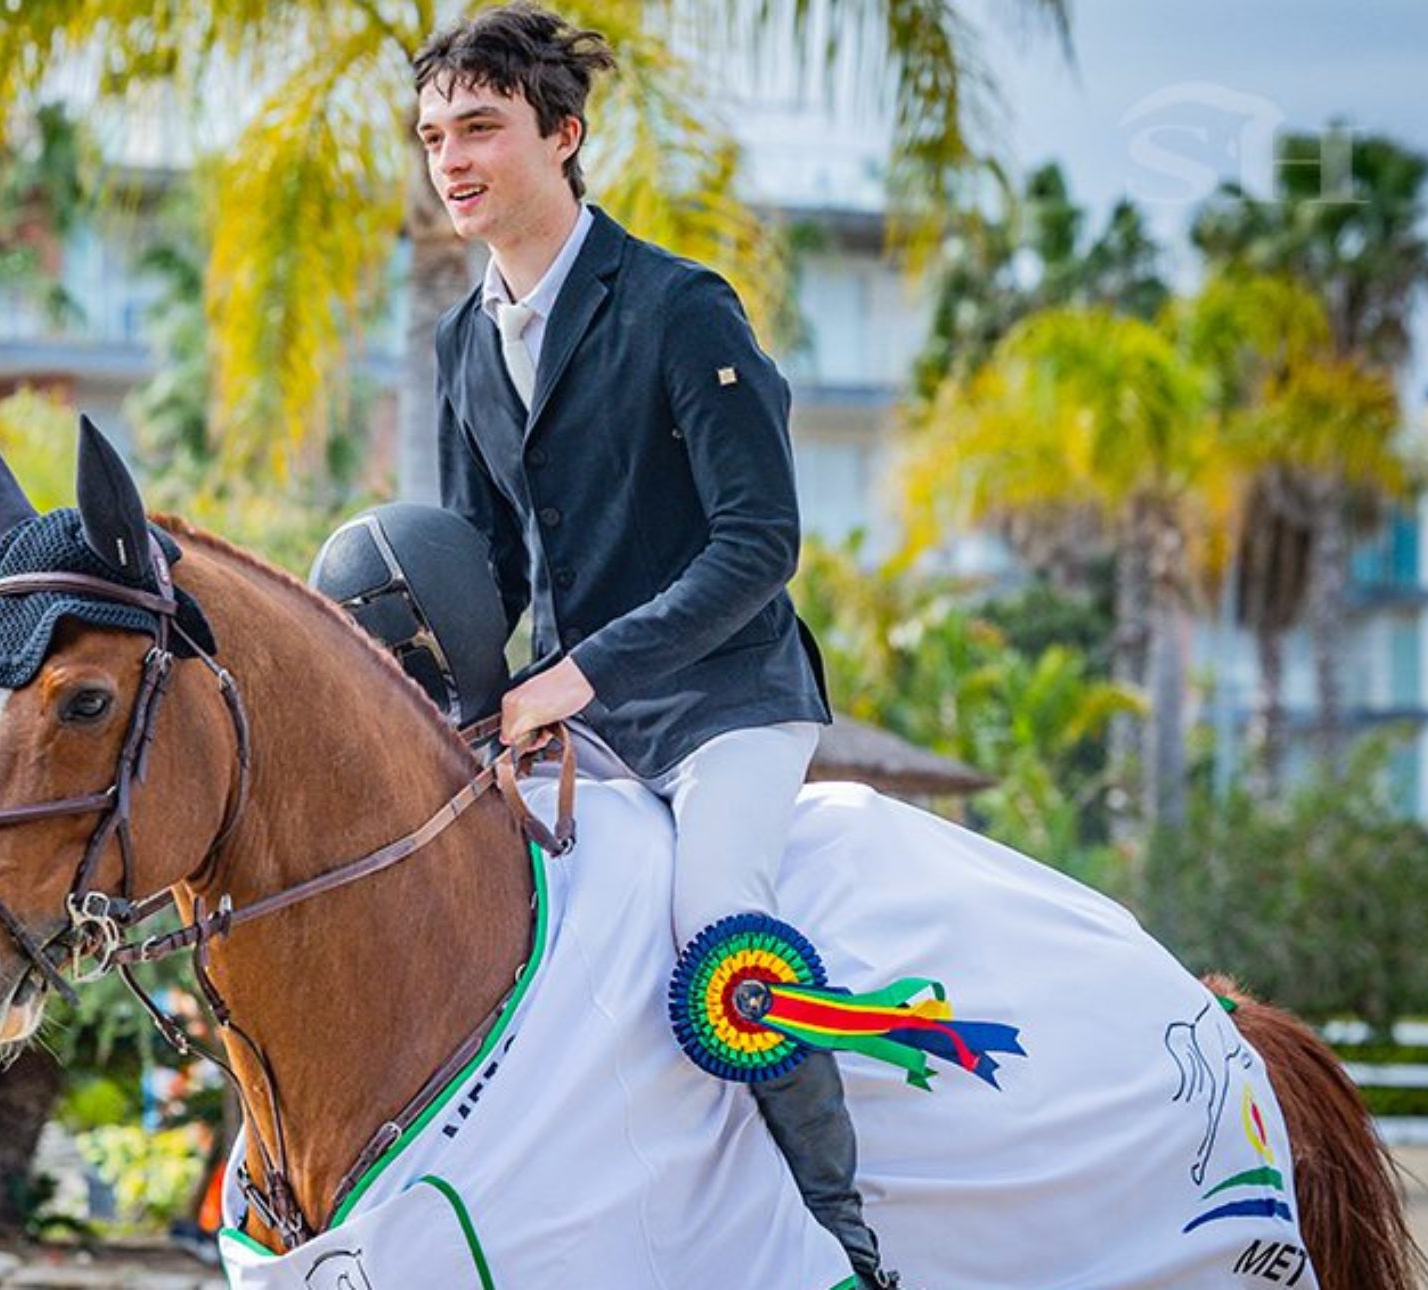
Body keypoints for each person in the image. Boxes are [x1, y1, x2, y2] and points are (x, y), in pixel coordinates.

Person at [414, 6, 895, 1287]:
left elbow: (759, 546)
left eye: (481, 128)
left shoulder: (682, 307)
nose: (451, 159)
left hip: (728, 701)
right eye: (431, 136)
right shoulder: (464, 340)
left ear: (562, 136)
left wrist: (577, 675)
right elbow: (483, 567)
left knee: (716, 924)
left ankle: (847, 1244)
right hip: (589, 718)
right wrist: (443, 702)